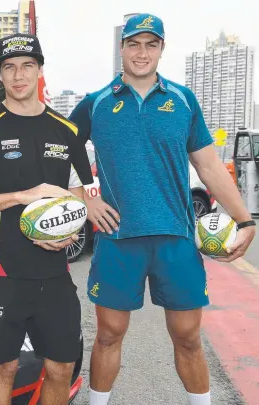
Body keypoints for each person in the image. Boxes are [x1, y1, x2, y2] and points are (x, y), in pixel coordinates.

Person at [68, 14, 256, 405]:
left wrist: (244, 219)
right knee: (108, 335)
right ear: (121, 48)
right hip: (119, 238)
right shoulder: (95, 103)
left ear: (162, 49)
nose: (142, 53)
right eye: (134, 44)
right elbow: (60, 155)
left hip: (176, 237)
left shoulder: (183, 100)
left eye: (151, 44)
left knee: (188, 337)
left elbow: (207, 165)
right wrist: (87, 198)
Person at [0, 33, 94, 405]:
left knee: (62, 367)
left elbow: (81, 195)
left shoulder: (68, 131)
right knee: (4, 369)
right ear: (0, 74)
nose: (18, 75)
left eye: (27, 66)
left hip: (55, 275)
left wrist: (69, 227)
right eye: (9, 67)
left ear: (40, 70)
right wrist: (19, 198)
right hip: (0, 273)